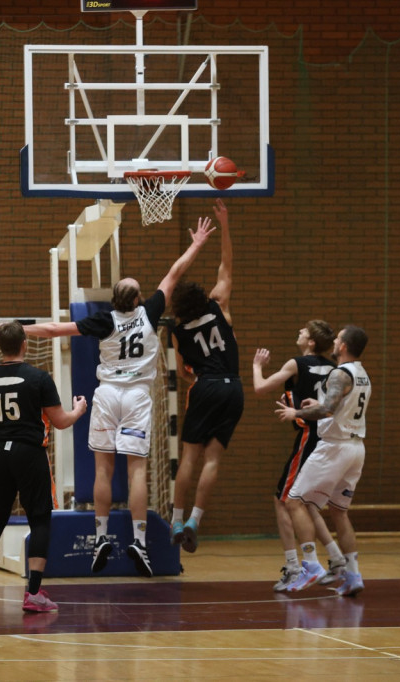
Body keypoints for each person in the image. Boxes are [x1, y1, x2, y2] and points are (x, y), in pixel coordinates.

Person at [24, 217, 215, 577]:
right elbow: (175, 273)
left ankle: (101, 537)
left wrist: (19, 330)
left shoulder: (102, 321)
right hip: (138, 397)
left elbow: (52, 329)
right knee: (136, 470)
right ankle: (139, 542)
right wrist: (198, 242)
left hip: (108, 395)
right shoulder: (151, 312)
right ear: (139, 299)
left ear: (114, 301)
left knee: (102, 468)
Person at [0, 321, 87, 613]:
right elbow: (59, 422)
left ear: (1, 346)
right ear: (24, 344)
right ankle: (33, 593)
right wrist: (79, 411)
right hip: (29, 453)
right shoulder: (39, 378)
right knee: (40, 519)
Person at [274, 325, 372, 596]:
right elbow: (336, 405)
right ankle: (353, 574)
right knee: (339, 511)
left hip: (334, 447)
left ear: (342, 346)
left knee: (294, 501)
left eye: (338, 338)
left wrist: (296, 412)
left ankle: (311, 565)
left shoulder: (340, 373)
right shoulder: (362, 374)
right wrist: (315, 402)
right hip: (356, 448)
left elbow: (328, 409)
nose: (335, 341)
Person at [170, 198, 244, 553]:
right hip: (234, 388)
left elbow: (183, 371)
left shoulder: (178, 330)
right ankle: (195, 520)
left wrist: (195, 380)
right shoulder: (219, 305)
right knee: (213, 459)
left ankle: (175, 520)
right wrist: (224, 224)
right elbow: (226, 264)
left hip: (205, 387)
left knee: (189, 458)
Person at [252, 320, 348, 591]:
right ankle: (338, 559)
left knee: (282, 500)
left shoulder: (296, 363)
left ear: (311, 343)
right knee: (305, 503)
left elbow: (260, 388)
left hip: (309, 438)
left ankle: (296, 566)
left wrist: (257, 366)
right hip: (329, 439)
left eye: (303, 332)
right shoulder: (335, 368)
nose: (299, 333)